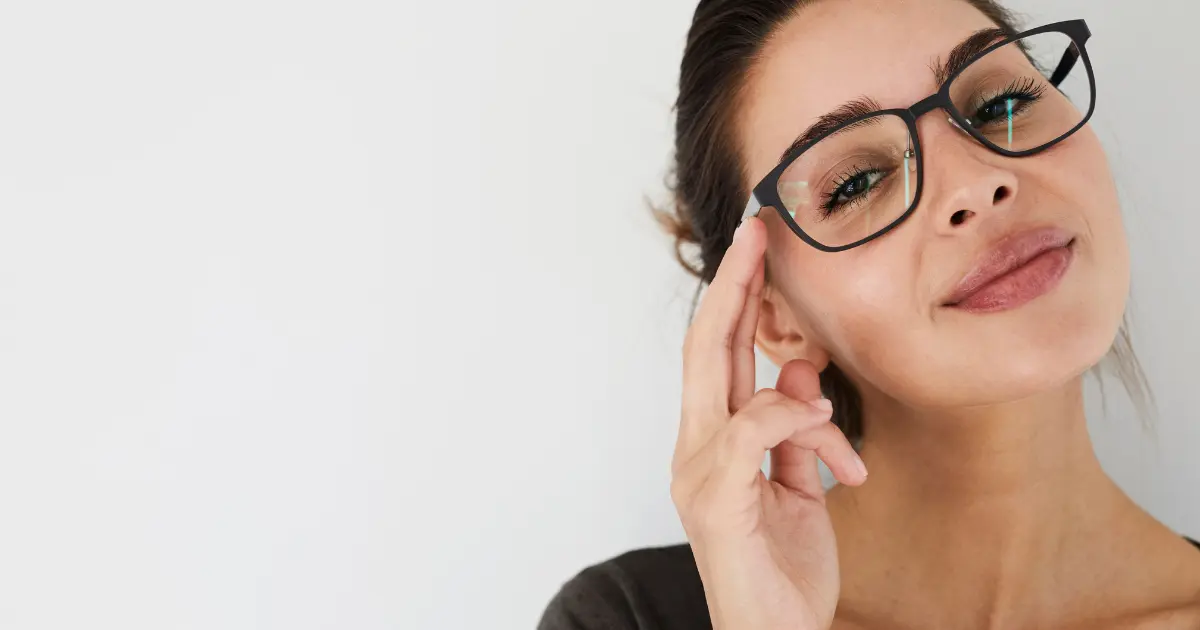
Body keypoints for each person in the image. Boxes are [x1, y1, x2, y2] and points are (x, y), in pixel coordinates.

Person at [538, 0, 1200, 628]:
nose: (978, 181)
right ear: (771, 316)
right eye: (856, 182)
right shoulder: (628, 619)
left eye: (1002, 101)